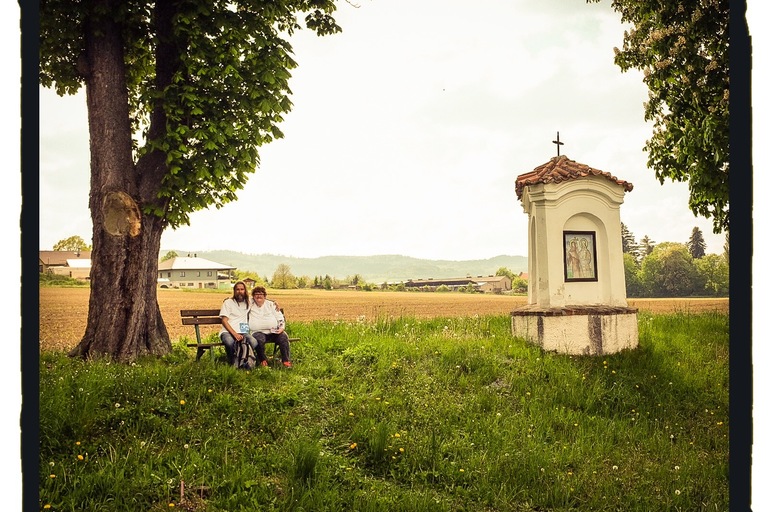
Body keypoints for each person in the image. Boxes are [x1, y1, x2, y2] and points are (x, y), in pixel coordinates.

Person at [219, 281, 266, 366]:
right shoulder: (228, 302)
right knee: (229, 342)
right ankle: (232, 362)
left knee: (254, 342)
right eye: (237, 289)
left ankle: (247, 360)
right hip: (227, 332)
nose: (240, 291)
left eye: (242, 289)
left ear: (245, 291)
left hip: (243, 331)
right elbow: (224, 321)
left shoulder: (249, 301)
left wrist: (274, 302)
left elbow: (261, 298)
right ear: (234, 291)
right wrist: (235, 334)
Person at [248, 286, 292, 368]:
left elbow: (280, 318)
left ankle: (286, 361)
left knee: (283, 336)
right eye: (256, 294)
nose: (259, 296)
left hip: (273, 331)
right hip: (258, 332)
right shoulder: (250, 304)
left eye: (261, 294)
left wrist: (281, 328)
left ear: (265, 296)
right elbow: (241, 299)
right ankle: (263, 361)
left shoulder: (271, 304)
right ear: (253, 296)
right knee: (259, 339)